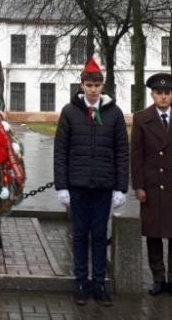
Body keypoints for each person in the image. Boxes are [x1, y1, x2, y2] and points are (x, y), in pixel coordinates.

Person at [54, 58, 128, 307]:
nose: (93, 89)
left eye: (97, 84)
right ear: (82, 86)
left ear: (102, 86)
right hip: (77, 186)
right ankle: (80, 282)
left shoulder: (114, 114)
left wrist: (121, 187)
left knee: (99, 235)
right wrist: (61, 186)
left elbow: (121, 152)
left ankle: (99, 283)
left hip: (104, 187)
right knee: (79, 235)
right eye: (89, 84)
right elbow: (61, 152)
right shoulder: (70, 112)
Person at [130, 72, 172, 298]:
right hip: (152, 185)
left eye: (167, 93)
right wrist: (138, 186)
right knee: (154, 234)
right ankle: (158, 279)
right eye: (158, 93)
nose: (163, 97)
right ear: (152, 94)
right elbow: (136, 156)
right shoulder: (141, 119)